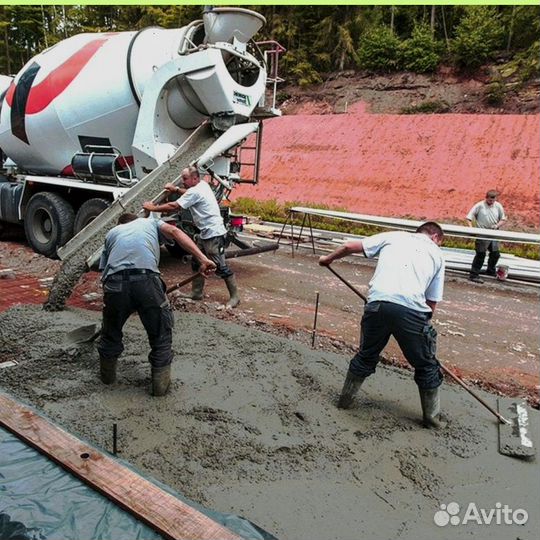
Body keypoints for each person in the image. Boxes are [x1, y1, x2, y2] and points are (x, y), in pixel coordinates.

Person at [319, 222, 446, 429]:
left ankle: (345, 402)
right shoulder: (437, 254)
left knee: (366, 355)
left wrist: (327, 259)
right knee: (427, 366)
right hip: (411, 311)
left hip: (377, 305)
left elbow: (350, 246)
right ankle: (432, 421)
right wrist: (422, 328)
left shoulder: (394, 236)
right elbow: (432, 302)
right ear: (435, 237)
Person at [98, 212, 216, 397]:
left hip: (114, 283)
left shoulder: (112, 233)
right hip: (146, 279)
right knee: (161, 336)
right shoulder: (149, 222)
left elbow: (103, 274)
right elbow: (175, 232)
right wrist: (202, 258)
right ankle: (160, 390)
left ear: (120, 224)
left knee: (110, 333)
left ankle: (107, 381)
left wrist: (117, 307)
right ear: (136, 219)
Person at [143, 166, 240, 308]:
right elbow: (188, 193)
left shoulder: (195, 190)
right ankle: (196, 293)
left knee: (219, 266)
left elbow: (175, 206)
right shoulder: (203, 185)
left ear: (195, 178)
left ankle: (235, 297)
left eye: (185, 179)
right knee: (197, 261)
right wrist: (176, 190)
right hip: (204, 232)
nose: (182, 181)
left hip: (214, 233)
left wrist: (153, 208)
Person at [466, 190, 507, 283]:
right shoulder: (480, 205)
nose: (491, 202)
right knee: (481, 254)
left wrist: (497, 226)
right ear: (486, 198)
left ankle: (490, 270)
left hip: (494, 232)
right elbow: (469, 217)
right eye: (490, 200)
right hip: (482, 232)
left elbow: (503, 219)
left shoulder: (498, 206)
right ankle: (474, 274)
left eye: (493, 200)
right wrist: (471, 229)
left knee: (495, 254)